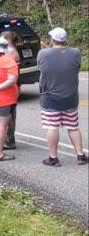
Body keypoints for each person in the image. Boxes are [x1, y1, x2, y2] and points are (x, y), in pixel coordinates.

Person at [38, 27, 88, 167]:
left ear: (52, 39)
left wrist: (46, 48)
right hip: (70, 98)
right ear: (65, 39)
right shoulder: (76, 53)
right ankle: (80, 155)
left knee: (52, 126)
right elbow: (62, 57)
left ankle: (53, 158)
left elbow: (47, 64)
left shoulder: (43, 53)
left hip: (50, 98)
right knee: (73, 126)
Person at [1, 31, 20, 150]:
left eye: (2, 38)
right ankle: (6, 138)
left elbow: (13, 73)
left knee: (9, 114)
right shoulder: (8, 50)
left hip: (12, 85)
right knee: (8, 113)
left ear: (8, 39)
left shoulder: (12, 52)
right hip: (8, 85)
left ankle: (9, 140)